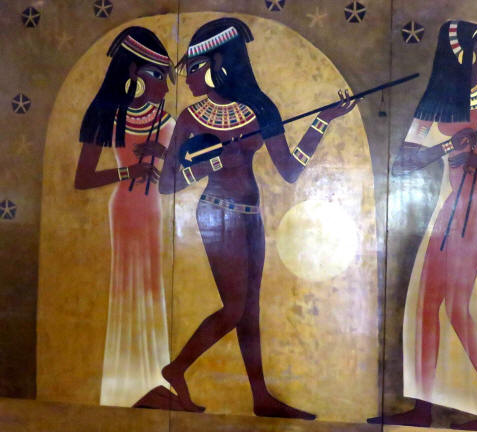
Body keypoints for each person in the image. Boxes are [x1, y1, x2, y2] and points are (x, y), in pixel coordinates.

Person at [154, 17, 356, 418]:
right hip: (217, 214)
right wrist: (214, 161)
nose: (189, 78)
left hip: (251, 217)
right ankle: (176, 368)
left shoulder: (260, 110)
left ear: (219, 64)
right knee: (233, 309)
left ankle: (260, 398)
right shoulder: (192, 117)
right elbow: (167, 183)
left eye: (195, 68)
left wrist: (323, 120)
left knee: (250, 311)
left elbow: (290, 170)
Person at [367, 21, 477, 432]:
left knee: (457, 306)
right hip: (452, 202)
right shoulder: (437, 103)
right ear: (464, 56)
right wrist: (447, 145)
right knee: (426, 304)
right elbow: (402, 163)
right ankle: (423, 409)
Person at [74, 26, 175, 407]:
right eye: (157, 75)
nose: (164, 86)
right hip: (125, 209)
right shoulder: (109, 116)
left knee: (151, 288)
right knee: (126, 290)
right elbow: (83, 178)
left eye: (166, 77)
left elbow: (183, 170)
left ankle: (153, 381)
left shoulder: (166, 120)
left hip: (152, 210)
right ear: (134, 74)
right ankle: (126, 388)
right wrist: (128, 171)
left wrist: (165, 157)